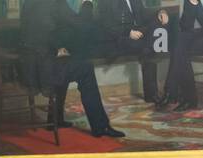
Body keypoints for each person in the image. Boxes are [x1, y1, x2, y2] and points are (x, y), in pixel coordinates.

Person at [22, 0, 126, 138]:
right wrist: (87, 5)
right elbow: (81, 24)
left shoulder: (29, 3)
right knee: (85, 68)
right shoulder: (56, 3)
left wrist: (57, 47)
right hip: (44, 70)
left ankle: (56, 119)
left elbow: (38, 31)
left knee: (66, 61)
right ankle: (100, 127)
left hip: (30, 68)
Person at [98, 0, 168, 102]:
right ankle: (152, 94)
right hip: (118, 38)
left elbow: (145, 15)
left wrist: (161, 12)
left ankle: (152, 95)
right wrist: (128, 32)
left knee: (149, 41)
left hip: (138, 35)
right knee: (148, 47)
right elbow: (106, 25)